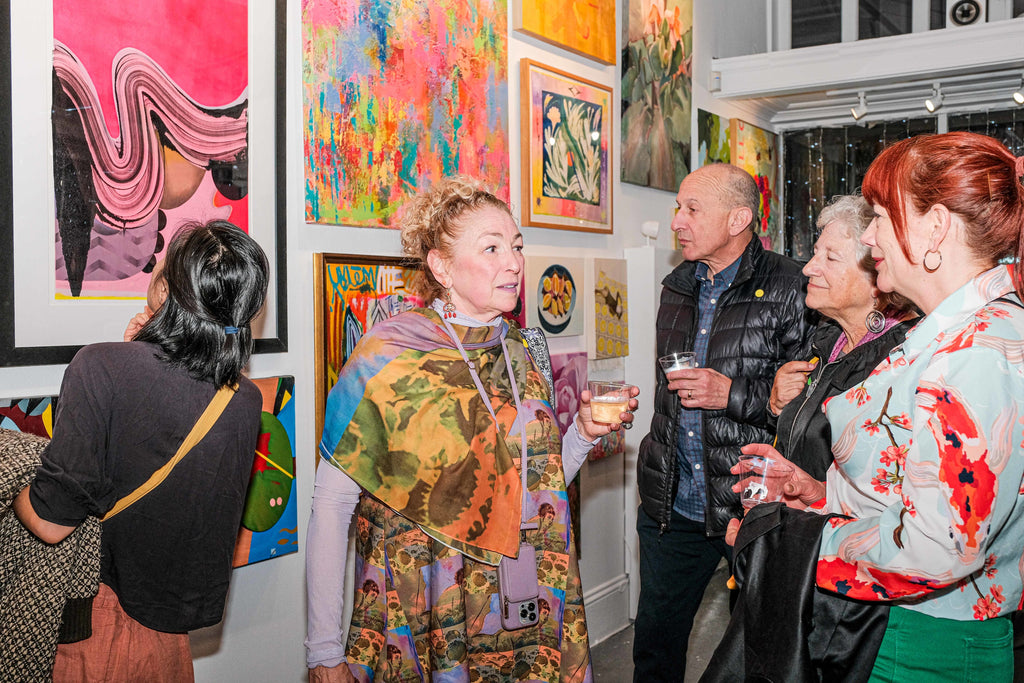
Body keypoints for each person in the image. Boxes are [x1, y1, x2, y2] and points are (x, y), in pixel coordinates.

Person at [305, 175, 639, 682]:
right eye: (491, 248)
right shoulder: (388, 357)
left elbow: (538, 486)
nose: (514, 263)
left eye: (517, 246)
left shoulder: (524, 351)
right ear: (441, 266)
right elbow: (332, 506)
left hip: (526, 602)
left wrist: (583, 435)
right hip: (429, 607)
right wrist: (324, 651)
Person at [727, 132, 1024, 680]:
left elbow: (936, 549)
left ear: (935, 227)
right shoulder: (949, 336)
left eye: (882, 215)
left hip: (926, 643)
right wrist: (817, 493)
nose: (869, 234)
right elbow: (908, 484)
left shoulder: (974, 353)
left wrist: (789, 539)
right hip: (890, 627)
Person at [13, 220, 269, 682]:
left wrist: (14, 481)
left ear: (166, 288)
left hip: (91, 630)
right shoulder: (244, 399)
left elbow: (49, 526)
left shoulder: (101, 366)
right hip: (169, 644)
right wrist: (142, 348)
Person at [634, 162, 814, 680]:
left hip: (752, 503)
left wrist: (730, 394)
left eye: (692, 209)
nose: (677, 221)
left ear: (738, 219)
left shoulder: (792, 287)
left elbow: (806, 409)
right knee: (654, 643)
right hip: (674, 502)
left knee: (757, 649)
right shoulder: (676, 286)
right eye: (678, 208)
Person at [769, 195, 917, 480]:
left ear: (877, 277)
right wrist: (776, 406)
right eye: (815, 252)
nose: (808, 267)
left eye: (831, 257)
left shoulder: (902, 357)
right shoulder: (828, 338)